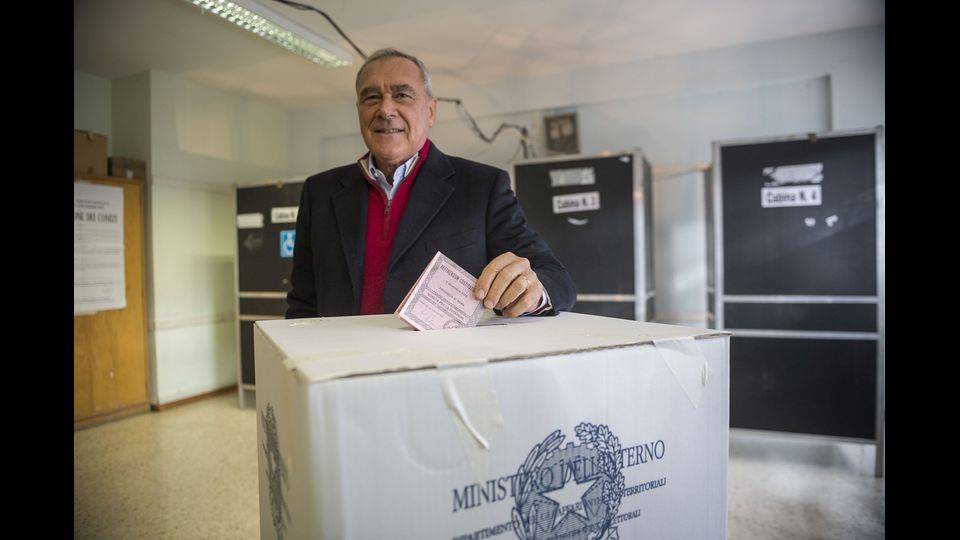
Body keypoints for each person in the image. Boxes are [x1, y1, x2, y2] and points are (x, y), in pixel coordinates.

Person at [285, 48, 575, 319]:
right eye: (371, 97)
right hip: (339, 366)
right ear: (359, 109)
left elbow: (556, 278)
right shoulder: (319, 192)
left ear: (431, 111)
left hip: (441, 370)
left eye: (402, 95)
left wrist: (530, 288)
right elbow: (303, 303)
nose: (386, 110)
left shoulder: (482, 186)